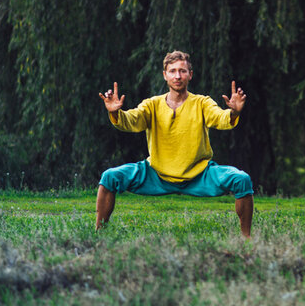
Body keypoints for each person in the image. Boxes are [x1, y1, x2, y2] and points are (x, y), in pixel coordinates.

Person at [95, 50, 254, 238]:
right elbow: (131, 121)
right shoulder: (152, 104)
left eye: (182, 71)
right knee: (109, 177)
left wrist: (234, 112)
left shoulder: (202, 103)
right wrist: (115, 113)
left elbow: (221, 118)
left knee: (241, 179)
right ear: (165, 75)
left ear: (190, 75)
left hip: (199, 173)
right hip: (156, 173)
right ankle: (99, 234)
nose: (177, 76)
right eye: (172, 71)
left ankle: (246, 239)